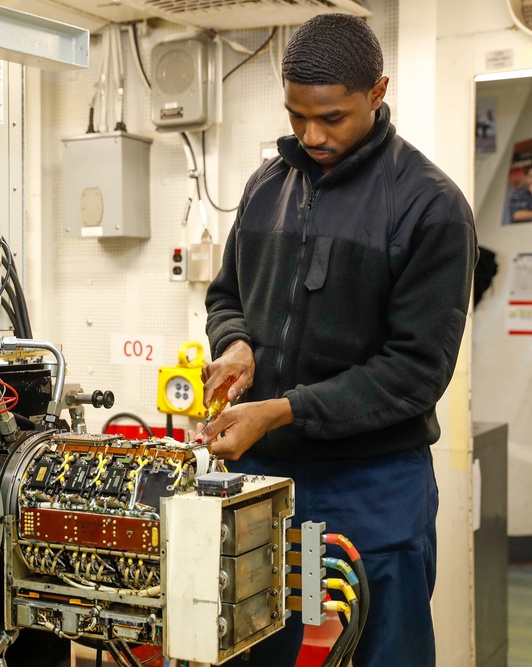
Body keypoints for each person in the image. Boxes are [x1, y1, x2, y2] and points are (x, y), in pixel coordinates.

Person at [195, 13, 477, 667]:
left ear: (377, 93)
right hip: (265, 476)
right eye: (297, 116)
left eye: (332, 118)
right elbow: (226, 295)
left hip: (374, 483)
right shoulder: (267, 186)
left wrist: (282, 409)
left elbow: (414, 371)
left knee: (388, 652)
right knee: (251, 647)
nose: (312, 135)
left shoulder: (429, 205)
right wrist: (236, 345)